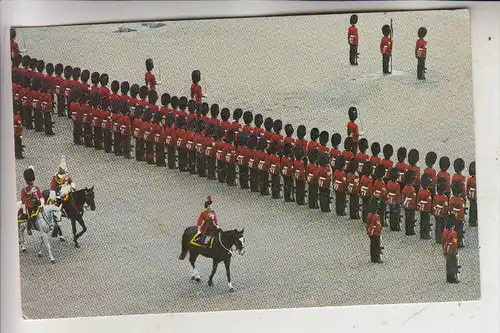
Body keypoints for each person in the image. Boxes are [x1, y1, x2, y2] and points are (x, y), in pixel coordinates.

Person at [19, 166, 44, 235]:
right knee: (31, 215)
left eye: (32, 181)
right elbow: (23, 199)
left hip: (37, 204)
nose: (31, 182)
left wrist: (42, 203)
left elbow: (40, 196)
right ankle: (29, 228)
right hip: (29, 205)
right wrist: (29, 193)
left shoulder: (36, 188)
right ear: (27, 181)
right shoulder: (24, 190)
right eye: (30, 181)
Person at [449, 181, 466, 248]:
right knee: (460, 231)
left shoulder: (451, 199)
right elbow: (462, 211)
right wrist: (463, 219)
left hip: (453, 217)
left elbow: (450, 208)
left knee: (454, 230)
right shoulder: (461, 200)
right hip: (459, 218)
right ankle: (459, 242)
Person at [366, 198, 383, 263]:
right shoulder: (377, 216)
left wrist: (368, 231)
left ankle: (372, 258)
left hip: (371, 232)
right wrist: (379, 232)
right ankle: (376, 258)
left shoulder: (369, 215)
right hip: (375, 233)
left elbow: (367, 224)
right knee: (376, 245)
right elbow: (378, 227)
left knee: (372, 246)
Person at [417, 174, 433, 240]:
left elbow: (418, 200)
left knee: (422, 221)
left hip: (421, 208)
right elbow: (429, 203)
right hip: (426, 210)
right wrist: (430, 211)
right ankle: (426, 234)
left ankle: (421, 234)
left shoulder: (420, 191)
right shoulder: (428, 192)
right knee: (426, 222)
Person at [433, 179, 449, 243]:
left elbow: (433, 205)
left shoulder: (435, 196)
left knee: (437, 226)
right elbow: (445, 207)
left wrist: (433, 212)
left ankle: (437, 238)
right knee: (442, 226)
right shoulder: (445, 197)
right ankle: (441, 238)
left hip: (436, 213)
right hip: (442, 214)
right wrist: (446, 214)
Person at [402, 170, 417, 236]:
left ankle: (407, 231)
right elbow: (413, 200)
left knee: (407, 219)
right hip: (411, 207)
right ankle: (411, 231)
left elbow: (403, 197)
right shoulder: (412, 189)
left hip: (406, 206)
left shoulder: (405, 188)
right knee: (411, 219)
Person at [467, 161, 477, 227]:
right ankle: (473, 221)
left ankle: (471, 220)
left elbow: (467, 188)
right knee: (474, 209)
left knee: (471, 209)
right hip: (476, 197)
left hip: (471, 196)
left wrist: (468, 196)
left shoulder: (469, 179)